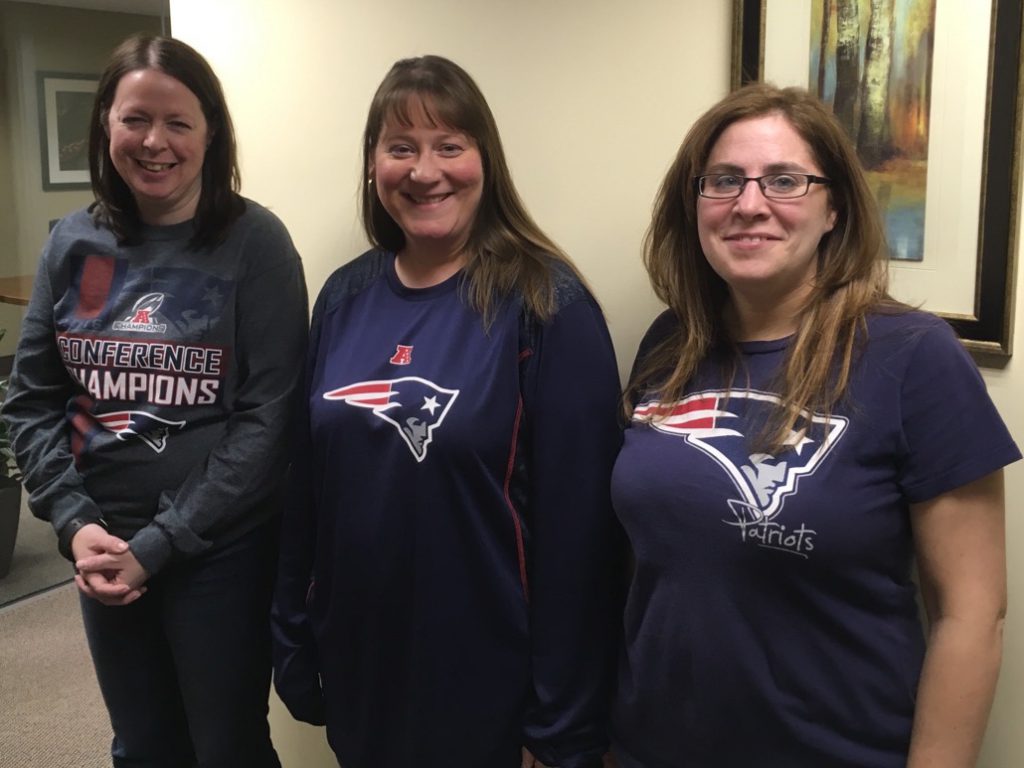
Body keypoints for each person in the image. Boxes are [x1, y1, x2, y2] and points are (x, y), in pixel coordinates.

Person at [610, 83, 1019, 768]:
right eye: (724, 181)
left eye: (784, 181)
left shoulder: (915, 358)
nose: (749, 204)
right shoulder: (668, 344)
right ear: (696, 203)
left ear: (834, 208)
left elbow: (973, 616)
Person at [271, 55, 621, 768]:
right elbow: (306, 487)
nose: (424, 170)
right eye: (400, 147)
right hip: (363, 669)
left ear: (485, 160)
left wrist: (561, 723)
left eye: (449, 146)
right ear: (373, 165)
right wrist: (293, 636)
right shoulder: (342, 297)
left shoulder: (547, 306)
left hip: (492, 686)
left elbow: (583, 541)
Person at [1, 35, 307, 767]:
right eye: (135, 118)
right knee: (142, 744)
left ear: (212, 134)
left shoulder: (253, 244)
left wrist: (161, 544)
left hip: (219, 551)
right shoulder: (76, 247)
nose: (155, 141)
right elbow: (33, 398)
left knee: (226, 743)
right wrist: (75, 525)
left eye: (179, 122)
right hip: (101, 545)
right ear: (105, 123)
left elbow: (268, 422)